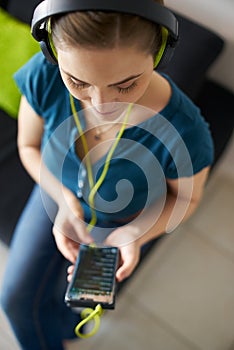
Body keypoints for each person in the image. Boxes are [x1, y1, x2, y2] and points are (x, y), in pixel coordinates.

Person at [1, 0, 214, 349]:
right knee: (17, 300)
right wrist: (62, 199)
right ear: (53, 52)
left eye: (126, 84)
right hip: (54, 198)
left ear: (160, 51)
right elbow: (28, 147)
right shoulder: (43, 73)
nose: (101, 105)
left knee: (78, 309)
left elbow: (187, 197)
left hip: (122, 223)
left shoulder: (186, 134)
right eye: (77, 81)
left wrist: (134, 235)